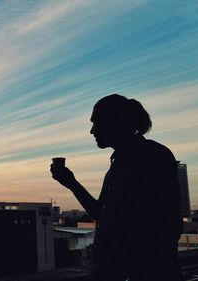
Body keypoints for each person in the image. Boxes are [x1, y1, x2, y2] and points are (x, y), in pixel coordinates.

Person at [50, 94, 182, 281]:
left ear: (116, 122)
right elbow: (101, 214)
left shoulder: (153, 156)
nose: (91, 131)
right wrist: (71, 183)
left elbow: (166, 225)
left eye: (96, 123)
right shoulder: (118, 165)